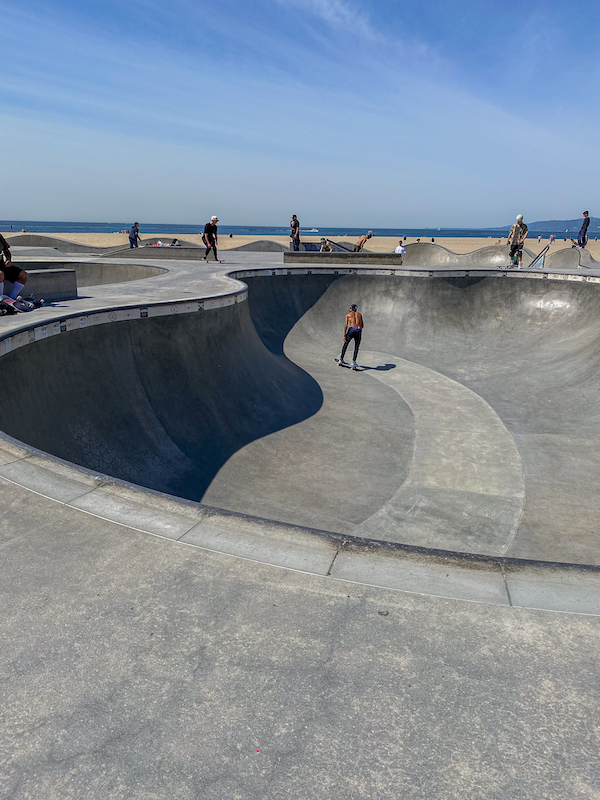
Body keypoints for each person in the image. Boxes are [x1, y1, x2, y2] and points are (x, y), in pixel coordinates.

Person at [0, 233, 28, 303]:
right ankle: (1, 300)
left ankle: (12, 298)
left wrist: (8, 259)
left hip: (2, 266)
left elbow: (6, 250)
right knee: (0, 275)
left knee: (23, 275)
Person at [338, 304, 364, 368]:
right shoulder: (360, 315)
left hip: (351, 329)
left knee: (346, 343)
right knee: (356, 346)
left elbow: (346, 325)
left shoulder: (348, 315)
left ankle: (341, 359)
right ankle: (354, 362)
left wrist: (344, 335)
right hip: (358, 329)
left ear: (350, 308)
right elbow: (362, 325)